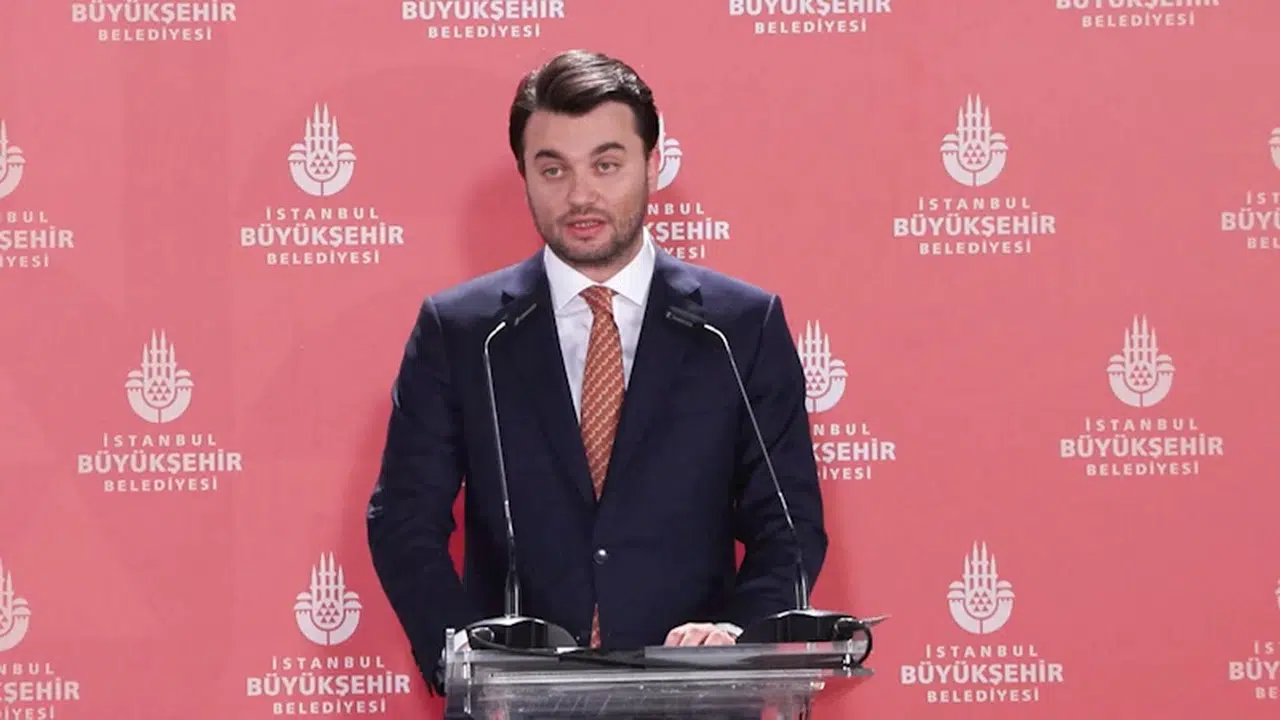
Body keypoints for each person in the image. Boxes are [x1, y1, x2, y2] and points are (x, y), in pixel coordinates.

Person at [365, 49, 829, 708]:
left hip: (697, 701)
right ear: (524, 175)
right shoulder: (463, 332)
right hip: (515, 706)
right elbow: (404, 520)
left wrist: (735, 636)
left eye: (606, 165)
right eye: (553, 168)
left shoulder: (739, 328)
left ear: (652, 163)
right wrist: (466, 657)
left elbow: (789, 525)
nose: (580, 195)